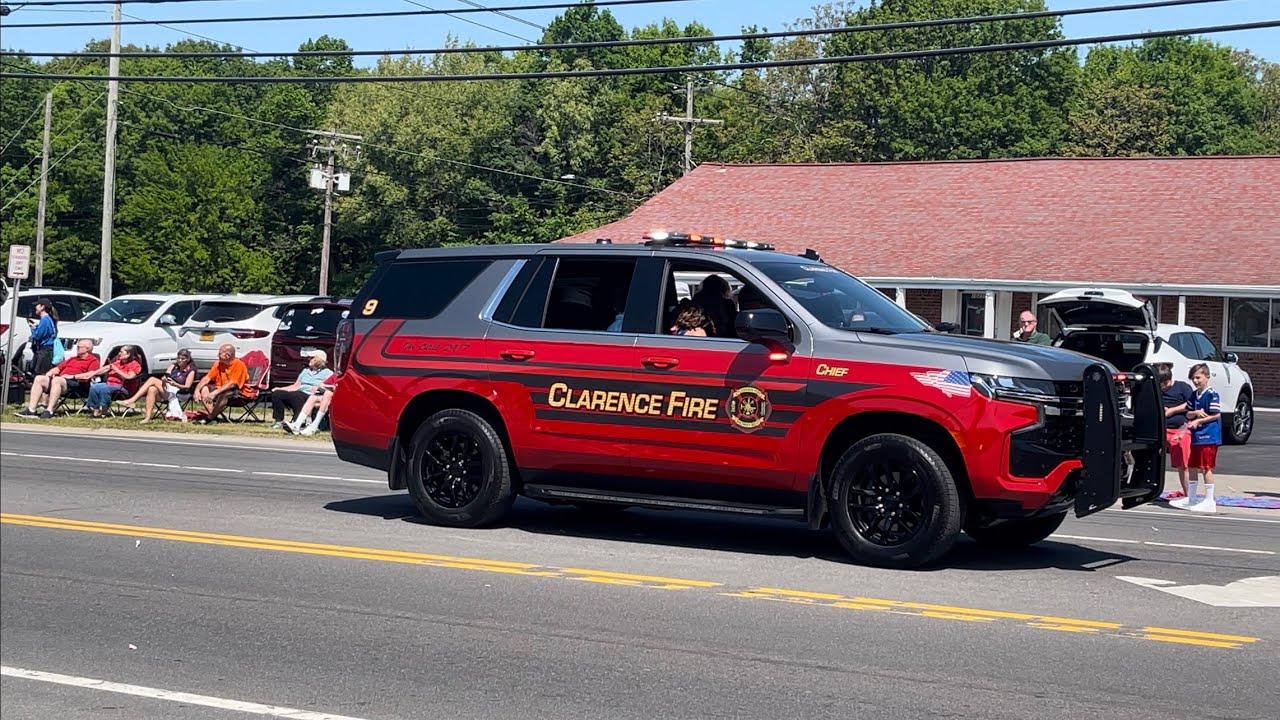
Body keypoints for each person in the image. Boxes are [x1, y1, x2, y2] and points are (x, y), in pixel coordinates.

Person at [1172, 363, 1222, 512]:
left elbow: (1216, 414)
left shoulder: (1212, 395)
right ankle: (1192, 497)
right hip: (1196, 437)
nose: (1195, 381)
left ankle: (1209, 500)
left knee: (1206, 468)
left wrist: (1199, 420)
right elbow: (1188, 412)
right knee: (1192, 466)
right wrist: (1195, 414)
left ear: (1207, 377)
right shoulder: (1194, 395)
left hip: (1208, 437)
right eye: (1193, 378)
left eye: (1198, 377)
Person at [17, 339, 100, 419]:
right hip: (60, 381)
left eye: (79, 347)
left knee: (57, 380)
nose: (76, 348)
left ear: (87, 349)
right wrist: (50, 373)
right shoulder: (72, 359)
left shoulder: (93, 360)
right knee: (39, 379)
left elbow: (90, 374)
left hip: (77, 385)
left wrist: (73, 376)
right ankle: (31, 410)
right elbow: (58, 368)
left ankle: (49, 410)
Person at [121, 348, 197, 423]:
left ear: (187, 360)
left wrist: (175, 384)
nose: (180, 360)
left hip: (180, 392)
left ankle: (132, 400)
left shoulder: (190, 370)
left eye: (182, 359)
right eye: (178, 358)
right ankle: (147, 418)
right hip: (167, 388)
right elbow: (165, 376)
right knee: (152, 389)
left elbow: (187, 386)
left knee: (152, 379)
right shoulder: (173, 366)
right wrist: (164, 380)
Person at [1158, 365, 1196, 499]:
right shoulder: (1157, 388)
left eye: (1165, 384)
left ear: (1170, 379)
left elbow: (1191, 403)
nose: (1163, 387)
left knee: (1183, 463)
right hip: (1161, 428)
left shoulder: (1182, 387)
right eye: (1161, 385)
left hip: (1179, 429)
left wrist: (1172, 410)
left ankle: (1188, 495)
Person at [270, 350, 334, 430]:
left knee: (297, 395)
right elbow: (295, 386)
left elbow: (330, 388)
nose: (309, 359)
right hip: (298, 392)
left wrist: (320, 387)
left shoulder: (328, 373)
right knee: (277, 394)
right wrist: (280, 389)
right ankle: (278, 421)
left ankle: (296, 421)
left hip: (312, 395)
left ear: (319, 360)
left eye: (311, 358)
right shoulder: (305, 371)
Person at [193, 343, 248, 422]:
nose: (217, 355)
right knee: (204, 388)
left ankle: (209, 418)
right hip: (220, 388)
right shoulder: (218, 364)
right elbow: (207, 378)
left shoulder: (239, 365)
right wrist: (196, 391)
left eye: (219, 353)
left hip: (237, 391)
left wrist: (215, 393)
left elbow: (233, 383)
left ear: (227, 355)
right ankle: (212, 416)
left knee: (224, 394)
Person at [84, 345, 143, 418]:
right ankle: (96, 409)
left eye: (121, 352)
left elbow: (129, 377)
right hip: (110, 385)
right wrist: (92, 374)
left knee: (105, 388)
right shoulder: (118, 362)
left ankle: (104, 411)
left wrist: (116, 369)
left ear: (128, 354)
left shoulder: (134, 365)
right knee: (95, 387)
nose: (119, 354)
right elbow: (106, 368)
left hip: (124, 388)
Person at [27, 298, 60, 376]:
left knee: (40, 373)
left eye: (37, 305)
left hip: (44, 350)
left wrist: (33, 328)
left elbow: (37, 336)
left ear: (42, 307)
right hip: (47, 350)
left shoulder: (45, 320)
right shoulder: (48, 319)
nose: (35, 307)